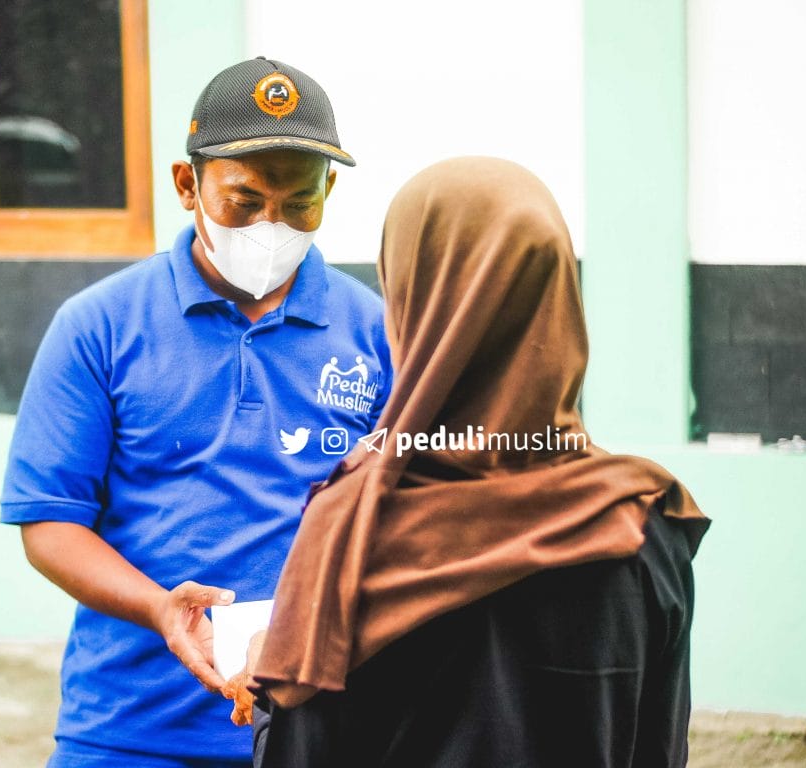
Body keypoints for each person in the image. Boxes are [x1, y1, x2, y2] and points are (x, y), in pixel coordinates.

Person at [245, 157, 711, 767]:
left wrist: (270, 682)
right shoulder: (643, 524)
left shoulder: (355, 533)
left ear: (411, 304)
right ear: (558, 299)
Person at [0, 57, 392, 767]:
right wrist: (159, 608)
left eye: (299, 202)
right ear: (188, 185)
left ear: (329, 191)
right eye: (246, 200)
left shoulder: (377, 333)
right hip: (129, 731)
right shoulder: (100, 326)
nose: (272, 225)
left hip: (319, 729)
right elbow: (49, 522)